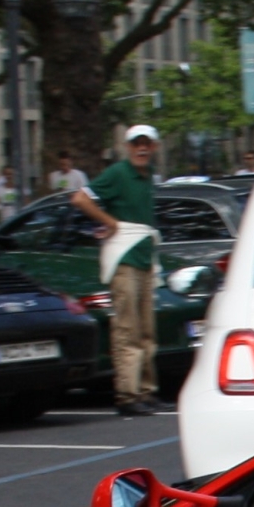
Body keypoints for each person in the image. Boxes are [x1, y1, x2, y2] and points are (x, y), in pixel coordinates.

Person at [70, 125, 164, 418]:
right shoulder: (119, 173)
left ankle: (146, 390)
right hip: (125, 260)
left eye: (146, 144)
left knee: (147, 329)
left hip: (144, 258)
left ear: (154, 147)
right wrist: (109, 222)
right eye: (136, 144)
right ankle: (127, 393)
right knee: (128, 328)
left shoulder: (147, 177)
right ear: (128, 147)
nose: (141, 149)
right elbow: (80, 198)